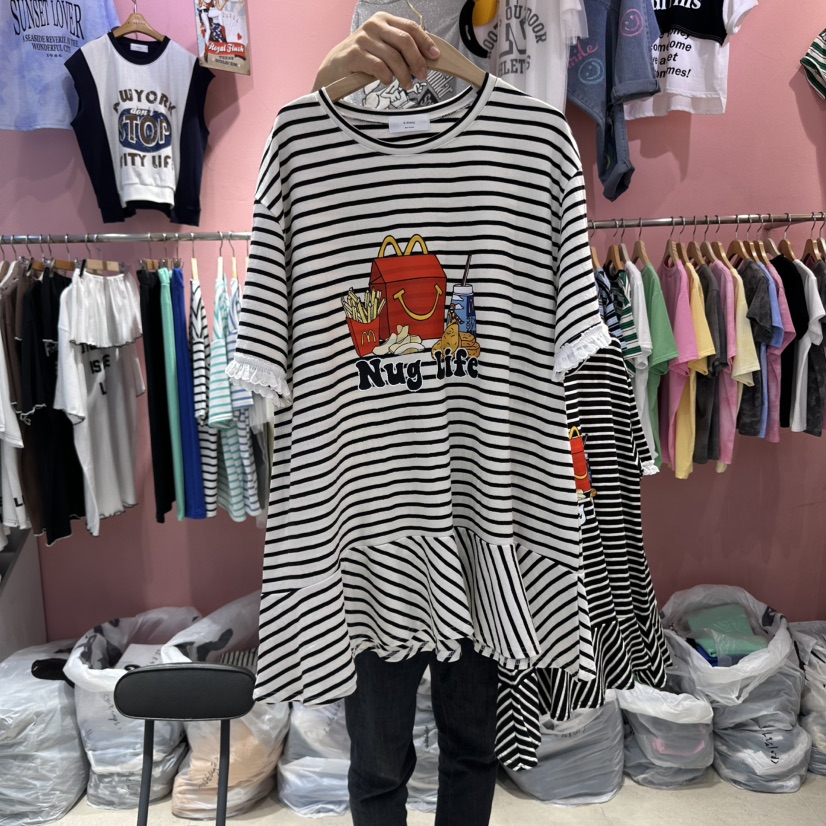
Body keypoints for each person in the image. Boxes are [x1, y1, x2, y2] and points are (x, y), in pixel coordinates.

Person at [311, 16, 499, 826]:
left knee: (470, 747)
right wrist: (325, 82)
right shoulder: (312, 153)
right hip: (374, 537)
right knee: (379, 762)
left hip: (477, 526)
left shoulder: (524, 149)